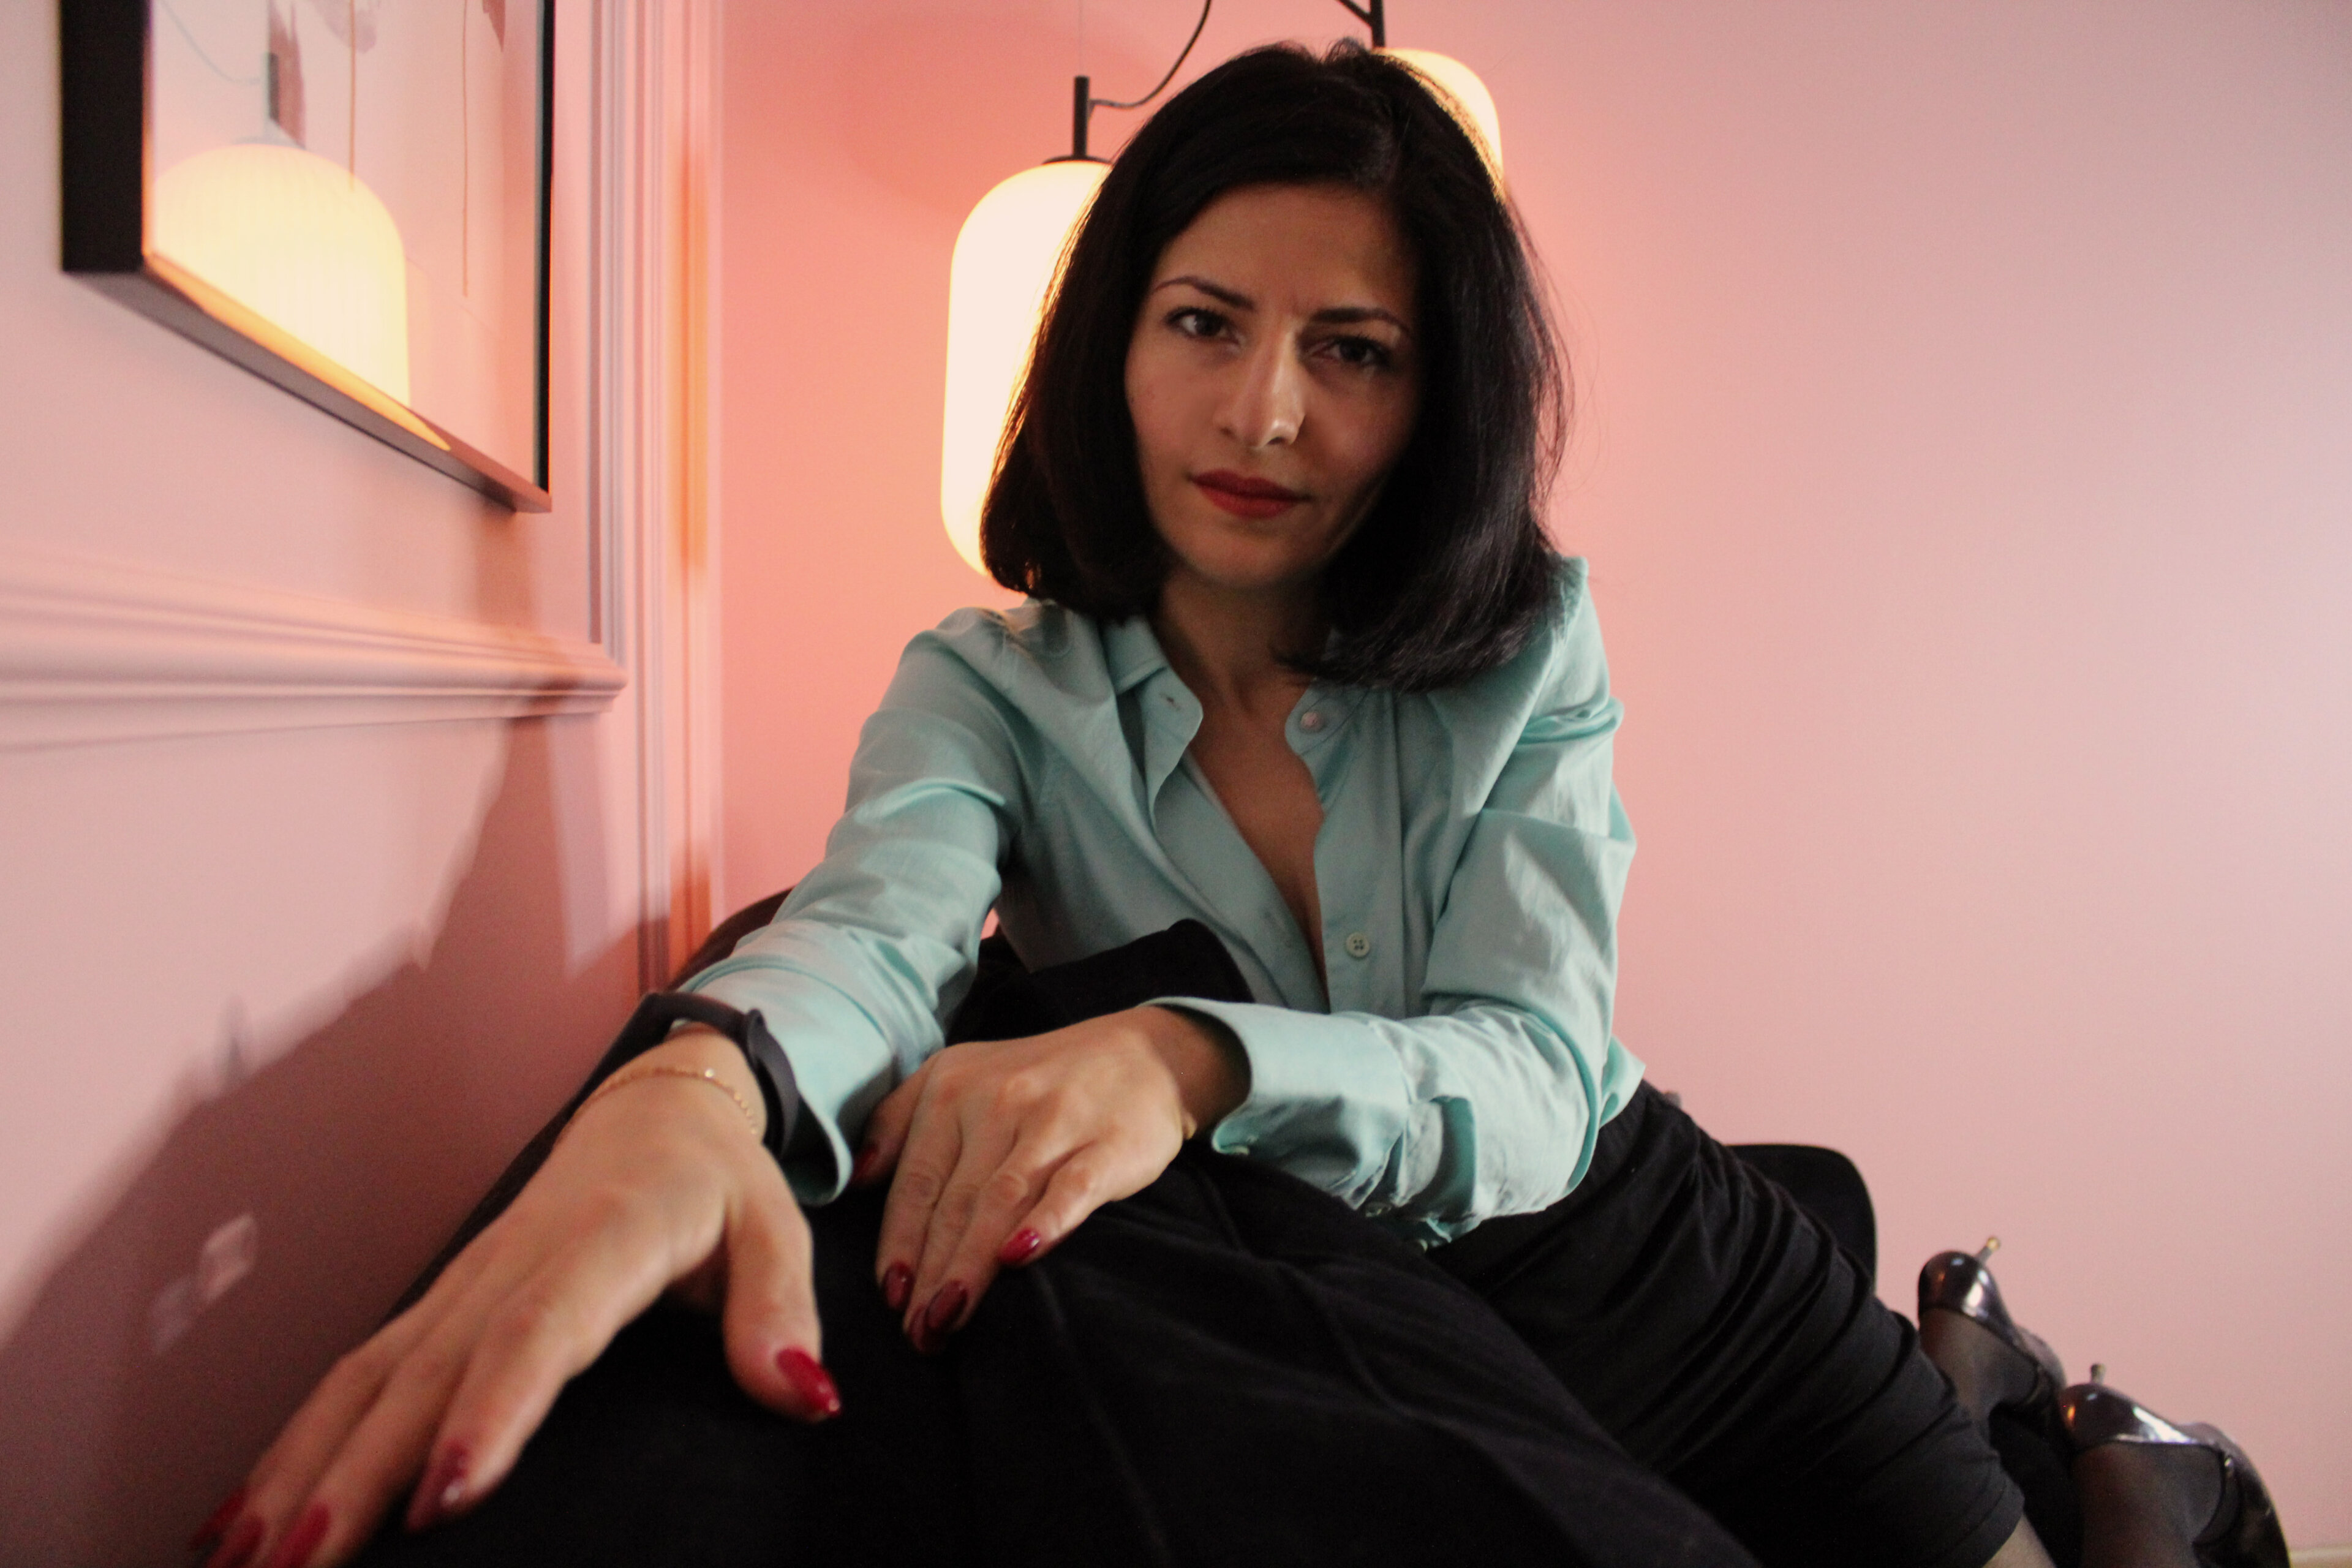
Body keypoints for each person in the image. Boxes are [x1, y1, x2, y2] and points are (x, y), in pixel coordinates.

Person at [194, 42, 2272, 1568]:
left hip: (1651, 1268)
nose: (1264, 411)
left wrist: (1188, 1055)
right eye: (1205, 323)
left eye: (1351, 352)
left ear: (1433, 395)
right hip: (1378, 1332)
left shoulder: (1528, 641)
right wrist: (690, 1092)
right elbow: (873, 933)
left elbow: (1539, 1072)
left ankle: (2085, 1434)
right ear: (1112, 343)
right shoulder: (987, 685)